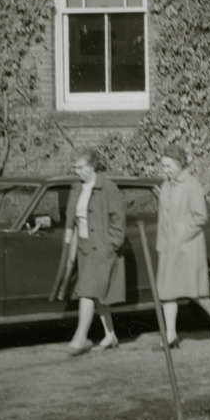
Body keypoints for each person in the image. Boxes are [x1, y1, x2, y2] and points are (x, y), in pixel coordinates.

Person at [156, 144, 210, 348]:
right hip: (169, 247)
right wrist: (162, 244)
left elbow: (200, 217)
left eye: (168, 166)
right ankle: (170, 335)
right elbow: (163, 218)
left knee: (197, 293)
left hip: (188, 247)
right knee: (167, 292)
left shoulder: (192, 184)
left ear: (179, 164)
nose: (165, 169)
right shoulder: (166, 185)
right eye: (163, 166)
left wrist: (180, 234)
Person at [62, 148, 125, 356]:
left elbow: (118, 220)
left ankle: (80, 338)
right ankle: (110, 335)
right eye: (75, 167)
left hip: (102, 250)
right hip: (84, 249)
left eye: (80, 167)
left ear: (92, 166)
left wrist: (111, 245)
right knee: (98, 293)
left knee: (87, 291)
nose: (76, 171)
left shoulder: (108, 188)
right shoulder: (78, 188)